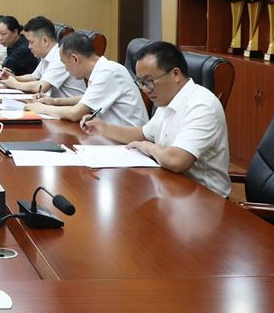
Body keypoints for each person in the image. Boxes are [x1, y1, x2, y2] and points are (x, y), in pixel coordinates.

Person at [82, 41, 231, 197]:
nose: (145, 90)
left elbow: (177, 160)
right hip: (172, 187)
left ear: (175, 74)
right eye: (141, 83)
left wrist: (148, 147)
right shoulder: (168, 99)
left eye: (149, 81)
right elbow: (143, 133)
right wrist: (103, 128)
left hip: (205, 198)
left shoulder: (201, 106)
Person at [25, 33, 148, 126]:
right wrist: (54, 101)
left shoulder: (109, 72)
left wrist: (41, 108)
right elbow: (88, 98)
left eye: (65, 63)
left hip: (128, 145)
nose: (66, 69)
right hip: (110, 138)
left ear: (75, 59)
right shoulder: (102, 69)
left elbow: (75, 113)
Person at [0, 16, 86, 99]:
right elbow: (33, 77)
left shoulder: (60, 57)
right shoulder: (47, 55)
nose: (29, 47)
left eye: (31, 42)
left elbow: (41, 87)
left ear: (45, 41)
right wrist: (14, 77)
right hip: (53, 104)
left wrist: (15, 84)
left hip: (68, 107)